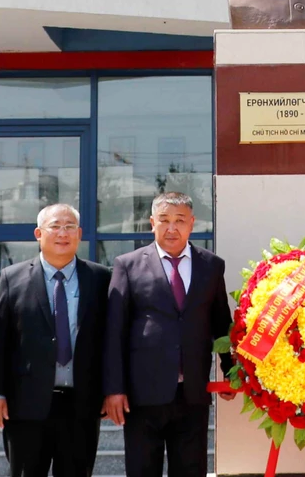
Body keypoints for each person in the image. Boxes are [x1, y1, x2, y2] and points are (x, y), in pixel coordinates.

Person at [105, 192, 235, 477]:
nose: (171, 228)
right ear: (152, 223)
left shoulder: (211, 266)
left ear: (192, 223)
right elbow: (114, 331)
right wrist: (114, 388)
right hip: (143, 393)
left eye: (179, 220)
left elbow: (220, 322)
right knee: (142, 469)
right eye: (164, 220)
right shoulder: (128, 265)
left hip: (192, 392)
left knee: (191, 469)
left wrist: (230, 370)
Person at [0, 204, 111, 477]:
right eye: (55, 226)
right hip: (26, 406)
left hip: (82, 405)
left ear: (79, 234)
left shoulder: (101, 278)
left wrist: (111, 389)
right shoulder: (12, 278)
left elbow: (109, 341)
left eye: (69, 227)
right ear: (38, 233)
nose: (62, 233)